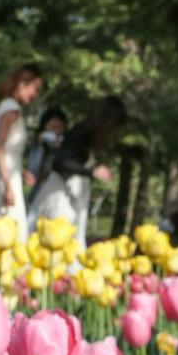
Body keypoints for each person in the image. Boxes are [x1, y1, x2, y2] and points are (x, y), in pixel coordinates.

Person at [29, 96, 127, 249]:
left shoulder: (89, 134)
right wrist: (91, 171)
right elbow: (60, 162)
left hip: (74, 198)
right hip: (61, 197)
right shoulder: (82, 131)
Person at [0, 62, 42, 240]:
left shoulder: (0, 109)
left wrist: (19, 171)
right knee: (11, 237)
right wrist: (7, 185)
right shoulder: (11, 109)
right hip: (5, 181)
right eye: (35, 89)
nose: (35, 95)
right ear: (22, 85)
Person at [27, 106, 68, 203]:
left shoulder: (66, 143)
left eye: (60, 128)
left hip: (59, 191)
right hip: (39, 188)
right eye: (53, 127)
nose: (56, 131)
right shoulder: (38, 144)